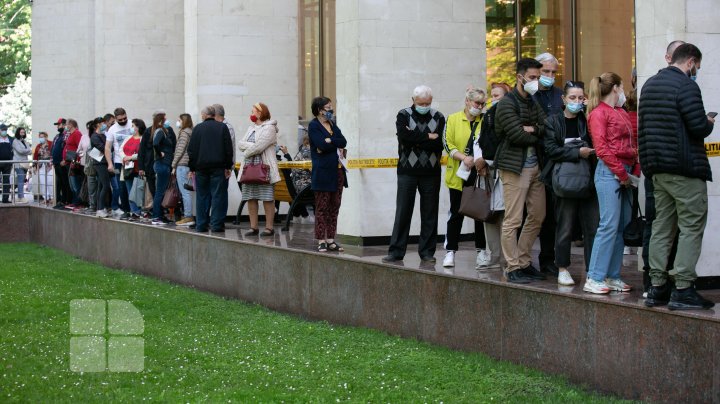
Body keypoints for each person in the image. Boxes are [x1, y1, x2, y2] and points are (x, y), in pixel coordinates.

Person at [639, 43, 715, 310]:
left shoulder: (649, 85)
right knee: (691, 225)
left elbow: (644, 129)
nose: (696, 72)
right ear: (691, 61)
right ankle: (683, 287)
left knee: (662, 227)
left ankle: (657, 286)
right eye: (697, 67)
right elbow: (696, 127)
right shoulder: (686, 86)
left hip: (657, 169)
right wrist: (708, 122)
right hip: (684, 169)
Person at [494, 58, 547, 284]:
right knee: (513, 220)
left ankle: (523, 261)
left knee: (538, 215)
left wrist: (533, 128)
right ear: (520, 77)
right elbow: (516, 135)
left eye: (537, 77)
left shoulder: (533, 102)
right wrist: (534, 131)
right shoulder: (506, 104)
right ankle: (512, 266)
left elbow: (548, 127)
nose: (536, 82)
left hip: (535, 167)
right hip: (514, 167)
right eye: (532, 78)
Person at [584, 72, 638, 294]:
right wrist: (622, 174)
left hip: (621, 172)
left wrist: (630, 171)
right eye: (622, 86)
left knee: (619, 226)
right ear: (615, 87)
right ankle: (595, 277)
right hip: (610, 173)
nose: (624, 91)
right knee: (609, 225)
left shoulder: (619, 111)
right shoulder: (599, 113)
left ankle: (612, 275)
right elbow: (602, 149)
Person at [542, 81, 598, 286]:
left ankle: (593, 270)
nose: (576, 102)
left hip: (587, 181)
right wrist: (577, 152)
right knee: (564, 226)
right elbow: (551, 150)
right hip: (563, 182)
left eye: (580, 98)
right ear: (563, 99)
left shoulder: (587, 120)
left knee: (592, 226)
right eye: (572, 98)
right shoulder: (553, 122)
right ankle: (563, 268)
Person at [640, 40, 685, 294]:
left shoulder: (664, 85)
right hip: (661, 169)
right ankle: (654, 280)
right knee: (656, 224)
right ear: (668, 57)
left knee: (668, 225)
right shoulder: (661, 86)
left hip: (661, 167)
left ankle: (663, 280)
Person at [382, 86, 445, 263]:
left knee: (430, 213)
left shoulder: (438, 116)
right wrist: (428, 137)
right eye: (421, 103)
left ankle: (427, 252)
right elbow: (404, 138)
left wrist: (416, 138)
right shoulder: (403, 115)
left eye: (428, 103)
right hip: (407, 172)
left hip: (431, 173)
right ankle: (396, 251)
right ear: (413, 100)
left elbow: (439, 144)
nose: (424, 106)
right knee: (403, 212)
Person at [441, 87, 489, 269]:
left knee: (479, 213)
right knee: (456, 213)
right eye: (477, 103)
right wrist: (463, 157)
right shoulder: (453, 119)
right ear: (467, 101)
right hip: (458, 174)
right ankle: (450, 251)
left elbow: (488, 143)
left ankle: (481, 251)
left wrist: (480, 161)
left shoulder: (484, 121)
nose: (480, 107)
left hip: (479, 173)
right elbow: (447, 142)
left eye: (483, 104)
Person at [533, 53, 566, 276]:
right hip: (535, 159)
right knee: (534, 214)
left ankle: (548, 258)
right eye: (546, 72)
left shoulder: (560, 95)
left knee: (554, 215)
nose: (550, 76)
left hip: (556, 160)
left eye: (553, 72)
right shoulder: (531, 95)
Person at [474, 82, 509, 270]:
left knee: (504, 216)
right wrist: (481, 160)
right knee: (489, 216)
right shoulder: (487, 117)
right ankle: (493, 255)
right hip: (487, 172)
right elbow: (480, 141)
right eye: (492, 95)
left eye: (498, 96)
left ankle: (507, 257)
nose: (494, 99)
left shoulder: (510, 116)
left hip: (503, 172)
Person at [308, 97, 348, 251]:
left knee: (334, 206)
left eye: (331, 107)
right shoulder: (313, 126)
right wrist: (331, 142)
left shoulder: (332, 124)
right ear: (319, 109)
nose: (331, 110)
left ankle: (331, 239)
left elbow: (343, 141)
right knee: (322, 207)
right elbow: (320, 146)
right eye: (328, 107)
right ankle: (320, 240)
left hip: (338, 171)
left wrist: (330, 140)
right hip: (323, 172)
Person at [238, 103, 281, 237]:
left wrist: (247, 150)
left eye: (253, 111)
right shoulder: (251, 128)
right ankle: (253, 227)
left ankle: (269, 227)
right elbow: (240, 144)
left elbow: (260, 147)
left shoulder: (270, 128)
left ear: (260, 113)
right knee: (251, 197)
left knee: (267, 198)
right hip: (249, 168)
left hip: (264, 168)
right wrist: (251, 146)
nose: (251, 113)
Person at [188, 105, 233, 233]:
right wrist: (228, 166)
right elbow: (228, 149)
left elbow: (191, 150)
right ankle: (216, 225)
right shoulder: (222, 127)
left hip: (201, 168)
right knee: (218, 196)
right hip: (218, 167)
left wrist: (192, 168)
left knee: (202, 196)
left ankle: (201, 225)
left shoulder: (197, 128)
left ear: (204, 115)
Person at [104, 108, 133, 218]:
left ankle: (135, 209)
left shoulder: (131, 123)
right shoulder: (112, 129)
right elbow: (107, 148)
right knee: (121, 187)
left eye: (124, 118)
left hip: (131, 161)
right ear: (115, 119)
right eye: (120, 119)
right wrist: (109, 163)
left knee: (132, 185)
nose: (123, 121)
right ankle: (125, 209)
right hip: (118, 162)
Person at [149, 110, 175, 225]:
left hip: (163, 164)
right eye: (165, 119)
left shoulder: (162, 130)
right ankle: (156, 216)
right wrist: (160, 154)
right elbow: (155, 144)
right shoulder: (160, 131)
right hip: (162, 164)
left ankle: (159, 215)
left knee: (161, 191)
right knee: (160, 191)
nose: (167, 120)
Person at [172, 114, 195, 226]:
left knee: (185, 192)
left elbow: (180, 150)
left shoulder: (184, 133)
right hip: (187, 164)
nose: (178, 122)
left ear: (184, 121)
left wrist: (173, 165)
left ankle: (188, 216)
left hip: (182, 164)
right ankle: (188, 215)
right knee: (187, 191)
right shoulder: (191, 131)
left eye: (179, 120)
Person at [120, 119, 144, 218]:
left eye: (133, 125)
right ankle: (133, 211)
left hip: (137, 168)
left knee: (137, 191)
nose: (131, 128)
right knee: (130, 191)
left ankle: (138, 211)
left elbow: (142, 153)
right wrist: (124, 157)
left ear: (138, 127)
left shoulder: (142, 139)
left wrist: (131, 157)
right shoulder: (128, 138)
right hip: (127, 168)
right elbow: (120, 149)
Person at [89, 117, 111, 217]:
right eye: (103, 123)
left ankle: (100, 207)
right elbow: (103, 148)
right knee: (105, 185)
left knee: (101, 186)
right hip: (100, 163)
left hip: (103, 162)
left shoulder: (102, 135)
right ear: (98, 124)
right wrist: (109, 147)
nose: (105, 125)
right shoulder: (95, 136)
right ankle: (100, 209)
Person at [62, 119, 84, 208]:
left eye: (67, 124)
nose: (65, 126)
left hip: (74, 163)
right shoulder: (71, 134)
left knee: (75, 184)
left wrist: (75, 161)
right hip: (69, 162)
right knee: (72, 184)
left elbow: (80, 148)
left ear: (71, 125)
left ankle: (78, 202)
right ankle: (75, 201)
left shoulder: (77, 134)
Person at [51, 118, 71, 207]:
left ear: (64, 125)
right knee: (58, 183)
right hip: (56, 163)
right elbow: (53, 148)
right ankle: (59, 200)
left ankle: (66, 200)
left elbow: (67, 148)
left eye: (59, 125)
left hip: (63, 163)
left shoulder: (66, 135)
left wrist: (65, 159)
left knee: (64, 182)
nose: (58, 127)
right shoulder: (57, 136)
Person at [11, 127, 32, 203]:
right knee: (20, 179)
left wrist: (27, 151)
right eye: (21, 132)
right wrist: (28, 150)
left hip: (25, 163)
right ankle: (21, 197)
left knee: (22, 180)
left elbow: (29, 151)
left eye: (23, 132)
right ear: (18, 133)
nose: (22, 134)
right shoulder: (15, 141)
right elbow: (20, 151)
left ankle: (19, 196)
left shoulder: (25, 141)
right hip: (18, 163)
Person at [32, 131, 54, 203]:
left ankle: (52, 197)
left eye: (42, 137)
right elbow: (35, 157)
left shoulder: (51, 144)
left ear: (46, 137)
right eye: (40, 137)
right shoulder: (38, 146)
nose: (41, 138)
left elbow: (54, 153)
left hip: (50, 165)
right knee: (43, 182)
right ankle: (46, 198)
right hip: (41, 166)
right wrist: (34, 166)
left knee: (50, 181)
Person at [0, 124, 12, 203]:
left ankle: (5, 199)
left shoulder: (11, 139)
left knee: (6, 181)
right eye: (3, 129)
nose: (4, 131)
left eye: (5, 129)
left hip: (8, 163)